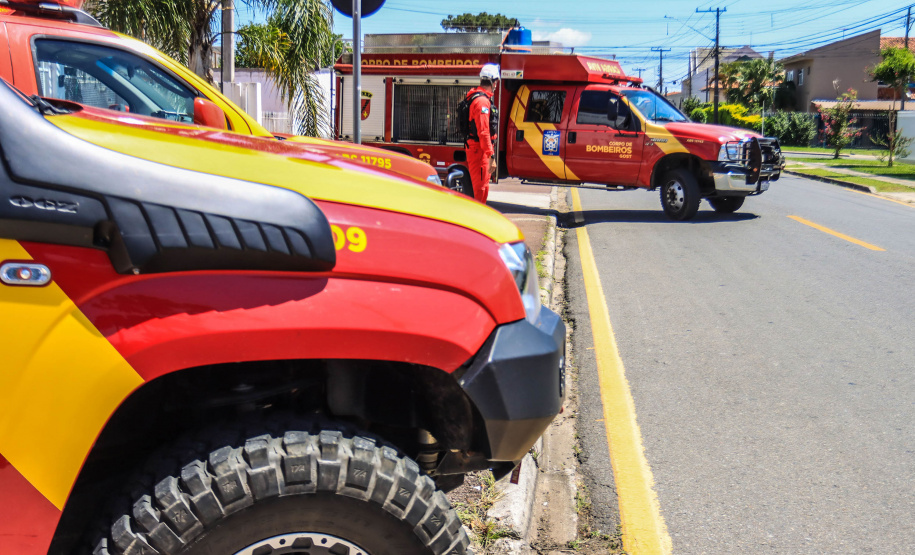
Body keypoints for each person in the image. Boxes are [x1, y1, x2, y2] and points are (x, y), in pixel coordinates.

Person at [465, 63, 499, 203]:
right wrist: (491, 155)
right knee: (480, 191)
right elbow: (484, 132)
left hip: (479, 150)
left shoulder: (480, 99)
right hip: (480, 152)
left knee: (482, 189)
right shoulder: (482, 102)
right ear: (493, 82)